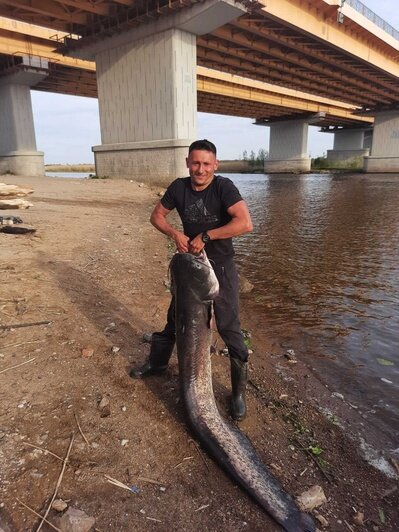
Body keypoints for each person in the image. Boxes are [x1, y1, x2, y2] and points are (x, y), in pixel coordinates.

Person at [130, 139, 253, 421]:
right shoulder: (179, 187)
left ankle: (237, 394)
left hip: (219, 267)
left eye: (206, 164)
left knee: (229, 326)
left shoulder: (224, 187)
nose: (200, 169)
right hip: (191, 266)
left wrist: (206, 236)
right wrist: (175, 234)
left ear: (215, 165)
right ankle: (158, 364)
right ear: (187, 162)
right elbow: (156, 216)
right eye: (195, 163)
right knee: (176, 319)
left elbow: (245, 223)